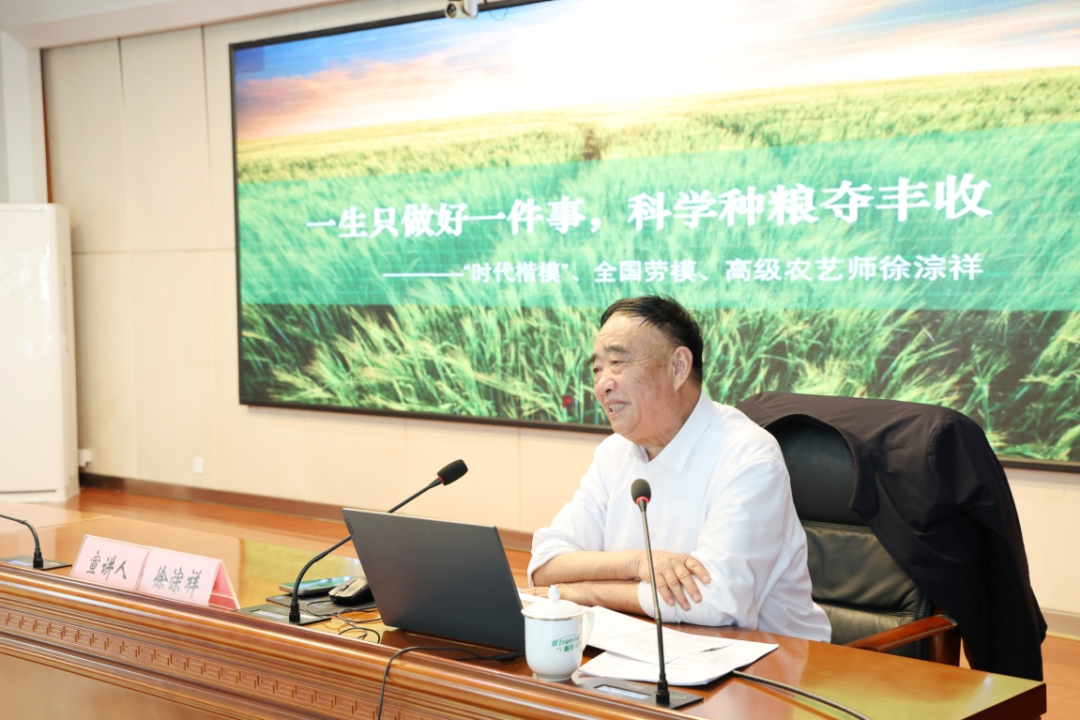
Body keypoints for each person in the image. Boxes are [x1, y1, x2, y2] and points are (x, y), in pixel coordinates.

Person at [528, 296, 831, 641]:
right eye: (597, 369)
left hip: (773, 658)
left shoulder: (748, 456)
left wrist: (585, 592)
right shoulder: (614, 453)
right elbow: (546, 565)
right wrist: (638, 564)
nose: (602, 384)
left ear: (678, 368)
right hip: (647, 645)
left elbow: (716, 601)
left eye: (617, 362)